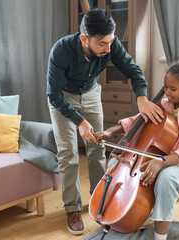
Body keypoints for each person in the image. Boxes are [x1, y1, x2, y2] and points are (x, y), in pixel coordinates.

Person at [46, 8, 163, 235]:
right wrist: (80, 122)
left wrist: (141, 98)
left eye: (110, 42)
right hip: (63, 98)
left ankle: (101, 201)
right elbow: (54, 95)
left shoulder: (111, 44)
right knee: (68, 155)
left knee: (97, 148)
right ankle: (73, 208)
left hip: (90, 95)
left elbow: (134, 71)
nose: (108, 49)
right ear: (84, 39)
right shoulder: (61, 50)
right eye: (101, 44)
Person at [94, 56, 179, 240]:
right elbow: (139, 120)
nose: (167, 92)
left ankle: (160, 236)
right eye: (166, 86)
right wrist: (110, 131)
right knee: (116, 163)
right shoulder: (164, 105)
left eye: (173, 88)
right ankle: (129, 212)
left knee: (166, 179)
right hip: (158, 156)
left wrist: (162, 162)